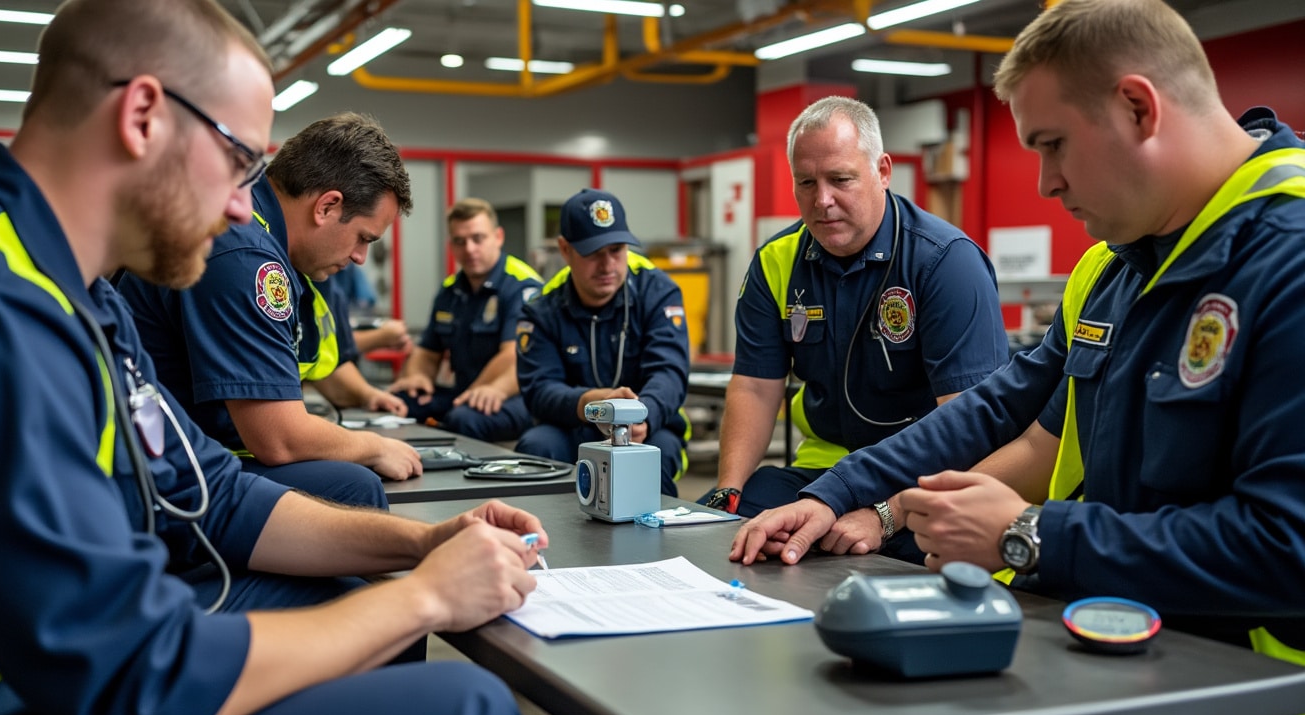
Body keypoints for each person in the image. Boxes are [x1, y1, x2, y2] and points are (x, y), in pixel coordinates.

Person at [0, 1, 544, 715]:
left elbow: (220, 494)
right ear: (142, 116)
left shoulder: (80, 291)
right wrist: (427, 596)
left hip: (101, 657)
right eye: (238, 162)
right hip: (14, 712)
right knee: (468, 711)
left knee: (360, 608)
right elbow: (133, 677)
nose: (243, 205)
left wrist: (424, 544)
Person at [731, 1, 1305, 715]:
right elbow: (998, 407)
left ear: (1139, 107)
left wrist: (1029, 534)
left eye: (1053, 144)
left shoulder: (1287, 261)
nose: (1044, 182)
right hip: (1129, 665)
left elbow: (1286, 544)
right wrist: (835, 493)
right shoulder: (1118, 265)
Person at [701, 95, 1008, 558]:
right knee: (742, 528)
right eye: (806, 182)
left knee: (904, 555)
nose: (822, 200)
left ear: (882, 171)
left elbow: (968, 424)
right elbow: (755, 387)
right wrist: (727, 492)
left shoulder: (945, 262)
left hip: (920, 481)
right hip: (821, 472)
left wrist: (884, 514)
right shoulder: (776, 261)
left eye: (840, 179)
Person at [120, 112, 422, 509]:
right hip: (163, 476)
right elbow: (279, 439)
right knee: (356, 485)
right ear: (327, 206)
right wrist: (372, 447)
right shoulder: (248, 257)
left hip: (184, 449)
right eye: (363, 238)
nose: (361, 257)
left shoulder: (265, 240)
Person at [515, 188, 691, 495]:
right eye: (593, 253)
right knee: (535, 447)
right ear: (565, 249)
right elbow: (539, 389)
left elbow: (670, 372)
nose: (608, 265)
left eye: (616, 249)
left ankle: (654, 542)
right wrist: (594, 404)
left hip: (648, 424)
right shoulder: (542, 308)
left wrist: (640, 415)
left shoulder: (658, 292)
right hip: (574, 426)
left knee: (654, 461)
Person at [389, 198, 542, 442]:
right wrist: (418, 377)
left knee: (463, 418)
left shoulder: (523, 286)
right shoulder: (450, 290)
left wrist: (470, 396)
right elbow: (428, 350)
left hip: (516, 396)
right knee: (401, 402)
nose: (469, 249)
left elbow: (512, 355)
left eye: (478, 238)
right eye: (460, 241)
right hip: (467, 394)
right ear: (452, 245)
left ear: (498, 237)